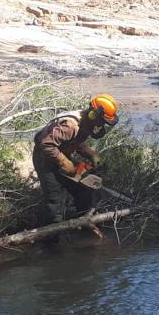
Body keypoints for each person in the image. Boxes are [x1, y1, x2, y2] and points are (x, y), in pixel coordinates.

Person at [32, 94, 119, 225]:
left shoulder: (85, 122)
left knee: (84, 189)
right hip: (44, 158)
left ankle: (84, 223)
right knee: (55, 199)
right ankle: (50, 238)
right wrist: (63, 162)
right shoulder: (70, 125)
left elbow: (73, 140)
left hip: (60, 153)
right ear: (94, 115)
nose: (103, 124)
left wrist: (91, 154)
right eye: (102, 121)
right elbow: (44, 143)